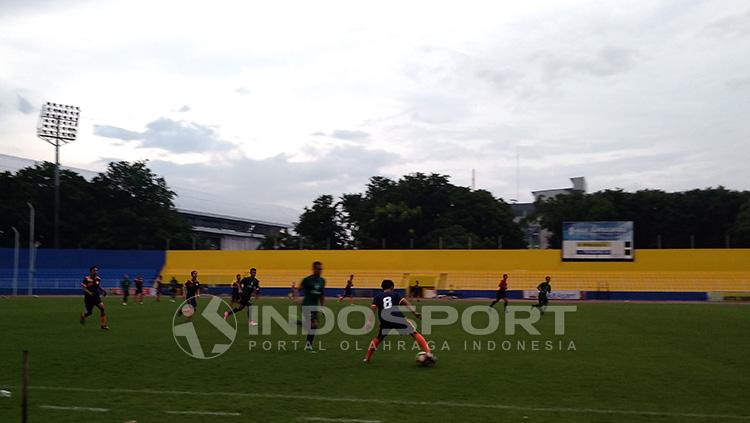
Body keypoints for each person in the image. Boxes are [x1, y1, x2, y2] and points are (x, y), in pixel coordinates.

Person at [363, 279, 434, 365]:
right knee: (414, 333)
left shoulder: (378, 297)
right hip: (397, 317)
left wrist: (369, 322)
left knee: (378, 338)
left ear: (382, 288)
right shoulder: (395, 294)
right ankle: (428, 352)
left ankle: (367, 358)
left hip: (384, 319)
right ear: (392, 287)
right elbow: (405, 302)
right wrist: (415, 313)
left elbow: (373, 309)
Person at [299, 261, 326, 352]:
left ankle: (299, 323)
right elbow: (299, 289)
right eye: (318, 269)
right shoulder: (307, 280)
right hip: (306, 305)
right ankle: (308, 346)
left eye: (321, 269)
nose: (320, 271)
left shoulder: (322, 281)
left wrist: (322, 307)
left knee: (314, 326)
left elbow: (322, 294)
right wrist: (294, 294)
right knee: (313, 325)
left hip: (315, 307)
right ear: (314, 269)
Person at [79, 266, 109, 330]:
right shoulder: (86, 279)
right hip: (88, 298)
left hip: (96, 297)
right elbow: (84, 288)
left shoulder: (98, 279)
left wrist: (103, 290)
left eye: (96, 270)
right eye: (94, 270)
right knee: (89, 312)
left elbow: (98, 286)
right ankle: (83, 316)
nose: (96, 272)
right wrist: (89, 292)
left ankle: (103, 325)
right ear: (90, 271)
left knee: (102, 308)